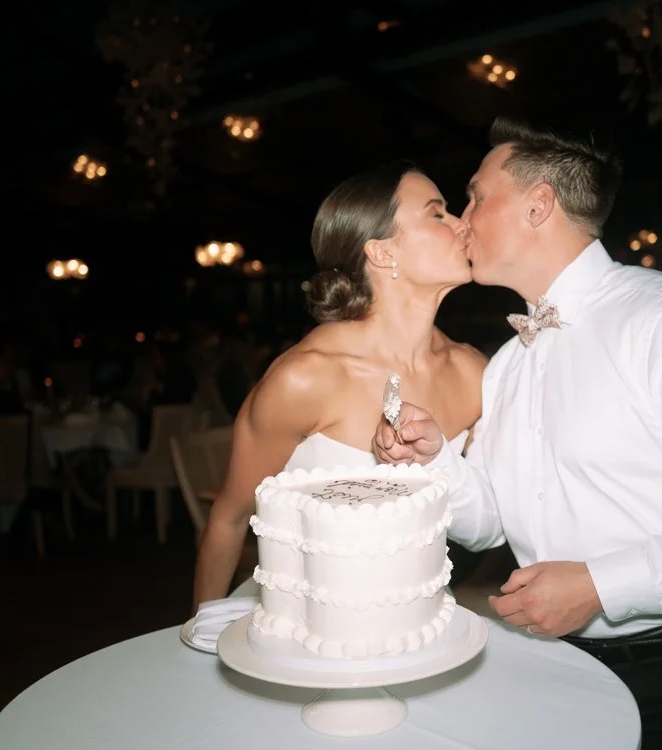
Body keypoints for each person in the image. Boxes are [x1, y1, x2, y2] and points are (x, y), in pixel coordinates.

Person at [374, 117, 662, 750]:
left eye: (476, 197)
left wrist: (601, 586)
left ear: (538, 206)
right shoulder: (508, 364)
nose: (464, 220)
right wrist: (435, 460)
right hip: (558, 666)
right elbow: (492, 524)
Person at [192, 160, 486, 610]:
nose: (463, 223)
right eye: (437, 213)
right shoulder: (306, 378)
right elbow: (229, 520)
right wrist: (200, 632)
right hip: (304, 621)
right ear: (382, 253)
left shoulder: (474, 371)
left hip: (422, 620)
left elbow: (493, 516)